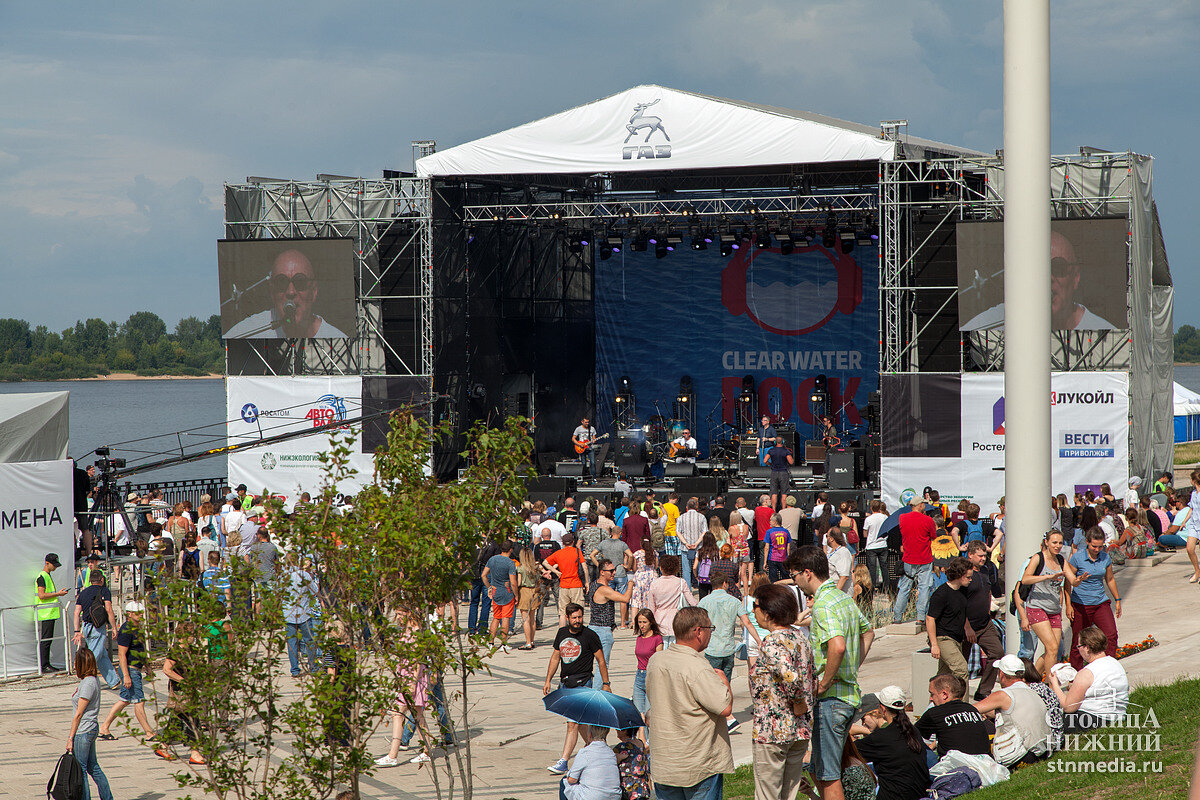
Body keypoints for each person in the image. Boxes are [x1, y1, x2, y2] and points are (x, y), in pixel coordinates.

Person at [790, 545, 874, 800]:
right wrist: (852, 665)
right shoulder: (842, 597)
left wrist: (825, 683)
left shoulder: (824, 604)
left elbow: (837, 646)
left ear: (807, 573)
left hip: (832, 699)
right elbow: (868, 631)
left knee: (828, 774)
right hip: (847, 695)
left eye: (794, 576)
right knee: (817, 768)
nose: (795, 583)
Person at [646, 606, 734, 800]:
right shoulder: (698, 666)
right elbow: (724, 707)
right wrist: (724, 681)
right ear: (698, 631)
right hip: (697, 764)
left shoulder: (656, 660)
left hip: (665, 763)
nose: (711, 633)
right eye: (710, 628)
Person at [748, 583, 815, 800]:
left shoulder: (772, 642)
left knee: (768, 795)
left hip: (774, 731)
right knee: (788, 793)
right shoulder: (799, 637)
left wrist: (798, 703)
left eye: (755, 606)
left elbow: (791, 677)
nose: (752, 611)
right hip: (798, 730)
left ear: (768, 613)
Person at [544, 604, 610, 775]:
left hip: (583, 684)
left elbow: (601, 660)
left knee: (572, 723)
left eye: (580, 617)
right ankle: (595, 749)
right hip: (566, 684)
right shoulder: (562, 633)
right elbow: (555, 657)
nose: (578, 621)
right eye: (574, 618)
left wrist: (606, 683)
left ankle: (564, 761)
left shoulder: (590, 635)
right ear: (567, 618)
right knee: (581, 723)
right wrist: (548, 680)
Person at [225, 247, 348, 338]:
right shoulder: (249, 331)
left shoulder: (336, 337)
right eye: (281, 282)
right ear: (272, 292)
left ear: (314, 291)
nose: (290, 292)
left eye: (300, 282)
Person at [699, 572, 761, 732]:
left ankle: (725, 718)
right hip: (728, 649)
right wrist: (759, 641)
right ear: (725, 583)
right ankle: (727, 715)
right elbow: (746, 622)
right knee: (726, 683)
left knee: (712, 685)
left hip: (712, 649)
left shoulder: (704, 602)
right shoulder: (734, 601)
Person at [99, 601, 162, 754]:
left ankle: (104, 727)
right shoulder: (126, 630)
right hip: (130, 670)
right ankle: (148, 732)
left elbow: (140, 648)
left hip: (136, 669)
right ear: (130, 614)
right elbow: (121, 654)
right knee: (138, 700)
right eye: (138, 613)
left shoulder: (137, 629)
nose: (141, 615)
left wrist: (147, 667)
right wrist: (126, 675)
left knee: (125, 700)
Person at [851, 687, 931, 800]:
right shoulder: (913, 731)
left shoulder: (880, 738)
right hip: (919, 794)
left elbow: (849, 751)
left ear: (882, 709)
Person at [972, 654, 1053, 765]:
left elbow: (971, 710)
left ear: (1001, 674)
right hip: (1043, 751)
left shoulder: (1004, 695)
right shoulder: (1031, 691)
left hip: (1021, 755)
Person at [1049, 625, 1129, 734]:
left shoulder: (1087, 672)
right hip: (1117, 716)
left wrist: (1054, 684)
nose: (1079, 650)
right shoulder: (1115, 664)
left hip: (1094, 719)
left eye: (1079, 646)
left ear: (1087, 647)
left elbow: (1068, 707)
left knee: (1051, 718)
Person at [1063, 528, 1121, 670]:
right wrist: (1068, 605)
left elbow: (1110, 579)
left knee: (1111, 634)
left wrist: (1117, 599)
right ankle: (1075, 675)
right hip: (1080, 604)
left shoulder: (1105, 557)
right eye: (1094, 546)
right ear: (1087, 542)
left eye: (1100, 546)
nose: (1097, 549)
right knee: (1079, 640)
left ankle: (1109, 669)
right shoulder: (1077, 558)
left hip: (1100, 602)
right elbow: (1068, 581)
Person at [68, 648, 115, 800]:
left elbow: (79, 714)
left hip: (84, 730)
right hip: (90, 728)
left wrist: (70, 737)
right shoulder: (90, 681)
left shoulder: (88, 683)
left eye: (76, 662)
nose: (75, 665)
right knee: (92, 767)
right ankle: (107, 797)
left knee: (81, 769)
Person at [1021, 530, 1069, 677]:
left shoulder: (1061, 560)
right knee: (1050, 647)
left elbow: (1071, 580)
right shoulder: (1037, 558)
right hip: (1036, 607)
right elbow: (1024, 580)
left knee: (1053, 651)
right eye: (1054, 542)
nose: (1058, 546)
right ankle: (1052, 684)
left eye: (1060, 543)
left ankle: (1033, 678)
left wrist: (1079, 580)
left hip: (1054, 609)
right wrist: (1048, 577)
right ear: (1046, 542)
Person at [961, 541, 1004, 699]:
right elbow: (961, 602)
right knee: (961, 664)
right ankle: (959, 696)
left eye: (985, 555)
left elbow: (987, 592)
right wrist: (967, 627)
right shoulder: (964, 572)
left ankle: (983, 691)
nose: (983, 558)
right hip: (966, 626)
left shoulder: (986, 569)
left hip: (985, 623)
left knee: (997, 652)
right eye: (980, 556)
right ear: (970, 555)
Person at [915, 673, 991, 758]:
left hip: (955, 767)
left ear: (944, 694)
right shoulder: (971, 709)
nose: (931, 698)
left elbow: (909, 735)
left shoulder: (934, 713)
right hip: (986, 764)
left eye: (932, 694)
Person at [924, 556, 973, 684]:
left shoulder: (963, 590)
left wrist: (968, 627)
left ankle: (934, 702)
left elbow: (961, 612)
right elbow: (930, 619)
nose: (970, 580)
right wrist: (934, 644)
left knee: (943, 677)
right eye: (968, 577)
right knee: (961, 670)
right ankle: (962, 704)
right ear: (959, 576)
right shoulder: (941, 594)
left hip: (956, 637)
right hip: (943, 638)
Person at [892, 497, 937, 630]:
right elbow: (933, 536)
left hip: (908, 558)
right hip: (924, 558)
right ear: (920, 505)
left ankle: (897, 617)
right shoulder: (928, 520)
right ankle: (920, 617)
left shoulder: (902, 518)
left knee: (904, 587)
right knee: (924, 588)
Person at [588, 559, 635, 684]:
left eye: (614, 570)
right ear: (602, 572)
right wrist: (630, 584)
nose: (614, 573)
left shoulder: (594, 584)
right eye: (611, 571)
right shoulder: (604, 590)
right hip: (602, 630)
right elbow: (625, 599)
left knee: (594, 663)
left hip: (592, 627)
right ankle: (597, 692)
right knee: (602, 664)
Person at [73, 569, 119, 689]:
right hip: (98, 627)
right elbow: (108, 609)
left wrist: (77, 631)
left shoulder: (83, 593)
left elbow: (76, 612)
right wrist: (114, 627)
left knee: (102, 655)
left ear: (90, 581)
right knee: (93, 657)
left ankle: (113, 681)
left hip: (86, 627)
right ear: (102, 579)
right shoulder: (104, 590)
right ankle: (85, 680)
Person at [646, 555, 697, 648]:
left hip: (659, 619)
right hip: (676, 620)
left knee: (662, 648)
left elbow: (651, 607)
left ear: (661, 568)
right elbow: (692, 602)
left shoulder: (654, 583)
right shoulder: (681, 582)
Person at [560, 724, 622, 800]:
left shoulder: (585, 752)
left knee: (564, 781)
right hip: (614, 795)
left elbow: (572, 779)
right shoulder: (610, 752)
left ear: (589, 735)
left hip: (593, 796)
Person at [283, 556, 320, 677]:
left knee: (292, 643)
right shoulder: (305, 575)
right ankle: (313, 667)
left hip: (288, 613)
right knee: (309, 640)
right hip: (304, 612)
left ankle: (295, 670)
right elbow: (315, 590)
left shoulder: (283, 577)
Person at [35, 552, 70, 672]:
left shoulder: (46, 576)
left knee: (47, 640)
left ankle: (46, 664)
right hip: (46, 613)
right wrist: (58, 594)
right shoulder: (42, 576)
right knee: (45, 640)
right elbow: (41, 595)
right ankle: (44, 665)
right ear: (47, 563)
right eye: (53, 565)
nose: (55, 567)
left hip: (49, 612)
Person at [482, 540, 519, 653]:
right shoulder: (510, 563)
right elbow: (513, 582)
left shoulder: (492, 559)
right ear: (511, 549)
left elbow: (484, 575)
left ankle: (490, 642)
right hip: (506, 592)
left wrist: (489, 587)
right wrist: (516, 595)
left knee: (496, 617)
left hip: (495, 591)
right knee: (506, 617)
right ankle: (503, 643)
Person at [545, 532, 589, 624]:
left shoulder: (559, 553)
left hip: (563, 585)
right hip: (576, 584)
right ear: (573, 542)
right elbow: (584, 567)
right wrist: (587, 582)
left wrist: (555, 571)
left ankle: (562, 633)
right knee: (578, 611)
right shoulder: (577, 551)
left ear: (563, 543)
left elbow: (545, 562)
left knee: (562, 613)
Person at [631, 608, 663, 732]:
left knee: (649, 716)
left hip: (651, 676)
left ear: (651, 622)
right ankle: (642, 744)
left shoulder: (657, 638)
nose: (641, 625)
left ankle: (651, 744)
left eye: (644, 622)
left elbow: (659, 660)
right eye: (639, 622)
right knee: (639, 714)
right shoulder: (639, 638)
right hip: (639, 676)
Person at [676, 497, 708, 591]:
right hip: (698, 547)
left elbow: (678, 532)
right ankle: (701, 588)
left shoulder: (681, 517)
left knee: (686, 570)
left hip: (685, 547)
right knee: (700, 568)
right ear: (696, 507)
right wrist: (696, 543)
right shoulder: (701, 517)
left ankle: (687, 590)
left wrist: (686, 543)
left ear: (687, 507)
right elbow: (705, 531)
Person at [613, 726, 652, 800]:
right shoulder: (640, 744)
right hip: (642, 789)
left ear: (624, 730)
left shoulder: (621, 747)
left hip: (628, 790)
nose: (616, 730)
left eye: (617, 729)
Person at [515, 547, 541, 650]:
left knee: (525, 619)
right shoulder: (535, 567)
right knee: (532, 619)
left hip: (524, 591)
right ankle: (532, 640)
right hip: (534, 591)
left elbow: (519, 582)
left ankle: (528, 642)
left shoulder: (520, 568)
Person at [860, 500, 889, 589]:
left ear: (871, 508)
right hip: (883, 544)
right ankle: (886, 586)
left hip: (871, 545)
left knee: (872, 568)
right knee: (884, 567)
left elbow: (865, 534)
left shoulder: (869, 519)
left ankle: (872, 587)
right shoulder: (885, 517)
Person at [766, 436, 794, 511]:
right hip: (783, 473)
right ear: (783, 442)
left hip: (774, 472)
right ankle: (783, 510)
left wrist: (770, 464)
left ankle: (774, 510)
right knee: (784, 493)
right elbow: (791, 462)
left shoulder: (771, 450)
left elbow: (765, 460)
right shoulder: (786, 451)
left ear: (775, 442)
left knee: (774, 492)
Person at [763, 513, 791, 582]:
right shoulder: (786, 532)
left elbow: (766, 548)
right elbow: (788, 547)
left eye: (770, 520)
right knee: (786, 579)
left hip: (772, 558)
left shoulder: (769, 532)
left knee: (773, 580)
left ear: (775, 521)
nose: (769, 522)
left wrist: (765, 561)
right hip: (783, 558)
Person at [825, 528, 853, 594]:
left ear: (831, 538)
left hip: (841, 596)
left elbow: (844, 577)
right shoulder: (833, 552)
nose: (826, 539)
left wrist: (835, 594)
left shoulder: (843, 552)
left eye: (827, 536)